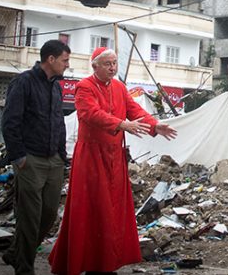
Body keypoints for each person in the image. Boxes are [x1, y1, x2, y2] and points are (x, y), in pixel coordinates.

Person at [49, 47, 177, 275]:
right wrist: (120, 124)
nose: (112, 67)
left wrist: (154, 125)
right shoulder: (84, 86)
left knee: (112, 210)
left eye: (114, 63)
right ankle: (86, 262)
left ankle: (106, 263)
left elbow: (134, 110)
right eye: (107, 64)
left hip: (115, 157)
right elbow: (90, 113)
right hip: (91, 156)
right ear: (95, 66)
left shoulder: (119, 87)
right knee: (91, 209)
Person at [2, 39, 71, 275]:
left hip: (54, 160)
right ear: (51, 59)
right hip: (30, 159)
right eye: (64, 60)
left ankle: (15, 252)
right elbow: (10, 122)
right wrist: (19, 157)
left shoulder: (56, 87)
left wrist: (61, 155)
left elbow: (59, 122)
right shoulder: (23, 82)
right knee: (30, 217)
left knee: (49, 215)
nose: (67, 65)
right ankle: (24, 268)